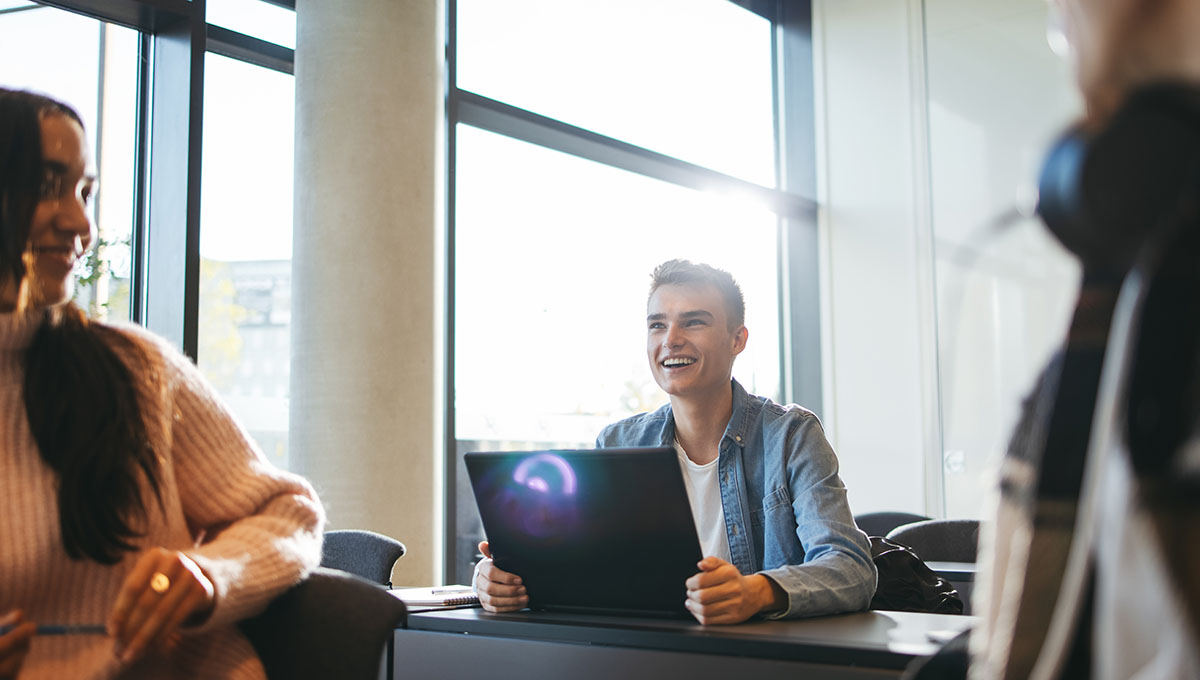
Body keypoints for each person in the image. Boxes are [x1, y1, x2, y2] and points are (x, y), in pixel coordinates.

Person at [0, 88, 325, 679]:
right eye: (48, 187)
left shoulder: (134, 368)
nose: (80, 224)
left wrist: (214, 574)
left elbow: (287, 511)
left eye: (86, 193)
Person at [474, 259, 876, 624]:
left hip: (757, 659)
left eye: (694, 322)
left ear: (738, 339)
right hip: (646, 654)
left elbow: (851, 567)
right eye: (657, 325)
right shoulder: (618, 442)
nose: (671, 340)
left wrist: (756, 591)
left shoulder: (791, 435)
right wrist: (501, 579)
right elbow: (583, 568)